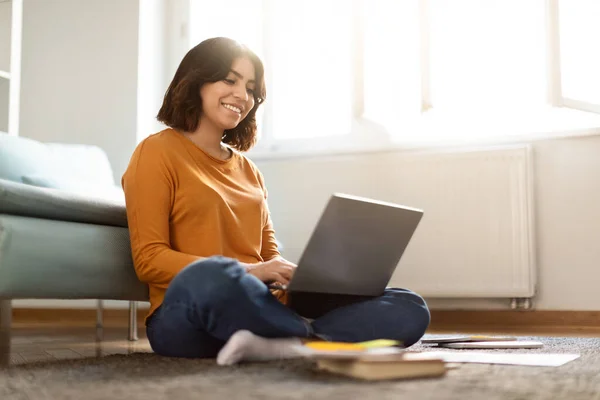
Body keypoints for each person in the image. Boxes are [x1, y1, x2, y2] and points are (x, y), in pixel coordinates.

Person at [122, 37, 430, 364]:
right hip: (189, 310)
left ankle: (287, 340)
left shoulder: (250, 171)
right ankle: (308, 336)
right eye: (229, 80)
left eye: (252, 89)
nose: (243, 96)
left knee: (408, 305)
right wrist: (251, 271)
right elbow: (149, 259)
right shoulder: (155, 153)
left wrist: (297, 278)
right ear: (195, 80)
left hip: (261, 304)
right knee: (212, 276)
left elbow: (269, 254)